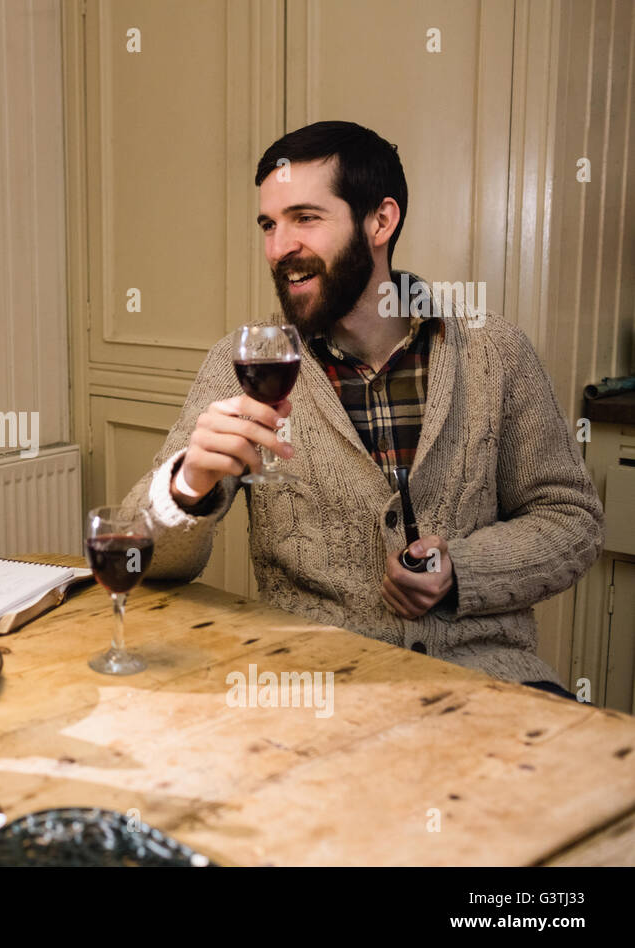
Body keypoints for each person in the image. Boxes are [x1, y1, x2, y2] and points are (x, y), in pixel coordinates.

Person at [123, 121, 603, 697]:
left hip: (487, 681)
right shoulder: (243, 361)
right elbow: (138, 557)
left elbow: (570, 519)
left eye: (306, 218)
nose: (279, 249)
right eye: (269, 225)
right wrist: (186, 486)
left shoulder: (494, 351)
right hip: (313, 689)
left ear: (381, 220)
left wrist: (462, 571)